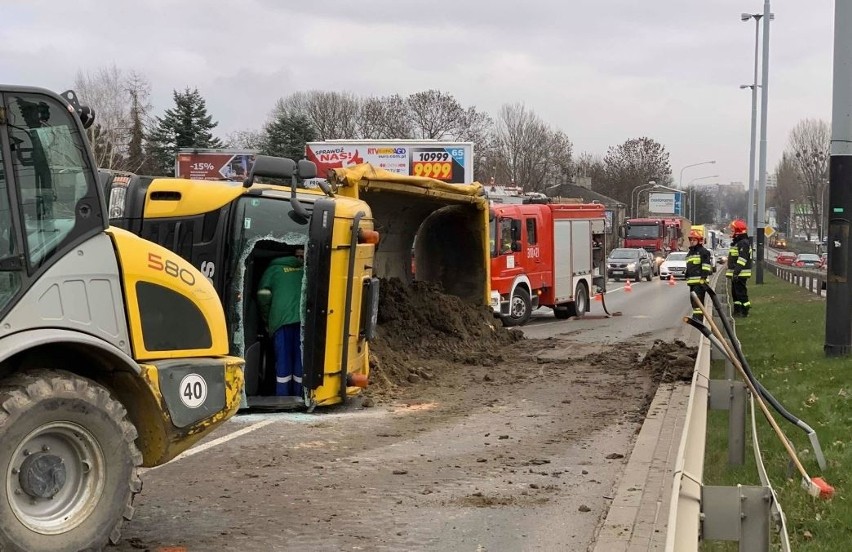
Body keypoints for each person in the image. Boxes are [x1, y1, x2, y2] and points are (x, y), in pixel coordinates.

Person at [257, 248, 305, 396]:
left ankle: (282, 396)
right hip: (302, 321)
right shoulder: (304, 271)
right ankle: (298, 394)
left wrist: (266, 319)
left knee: (283, 359)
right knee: (299, 358)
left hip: (280, 321)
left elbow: (262, 296)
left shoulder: (273, 270)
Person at [685, 229, 713, 322]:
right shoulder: (690, 252)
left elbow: (706, 267)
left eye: (694, 240)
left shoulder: (703, 252)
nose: (692, 242)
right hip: (692, 282)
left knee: (698, 302)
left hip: (700, 282)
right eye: (691, 240)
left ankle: (698, 319)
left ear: (699, 240)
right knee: (693, 302)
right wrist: (686, 274)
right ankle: (696, 317)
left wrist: (703, 278)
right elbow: (690, 266)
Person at [726, 219, 752, 317]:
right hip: (737, 273)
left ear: (738, 231)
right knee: (735, 293)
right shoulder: (738, 242)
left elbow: (742, 259)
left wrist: (736, 272)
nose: (731, 232)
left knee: (741, 293)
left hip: (741, 273)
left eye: (733, 230)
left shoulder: (743, 243)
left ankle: (745, 311)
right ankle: (737, 310)